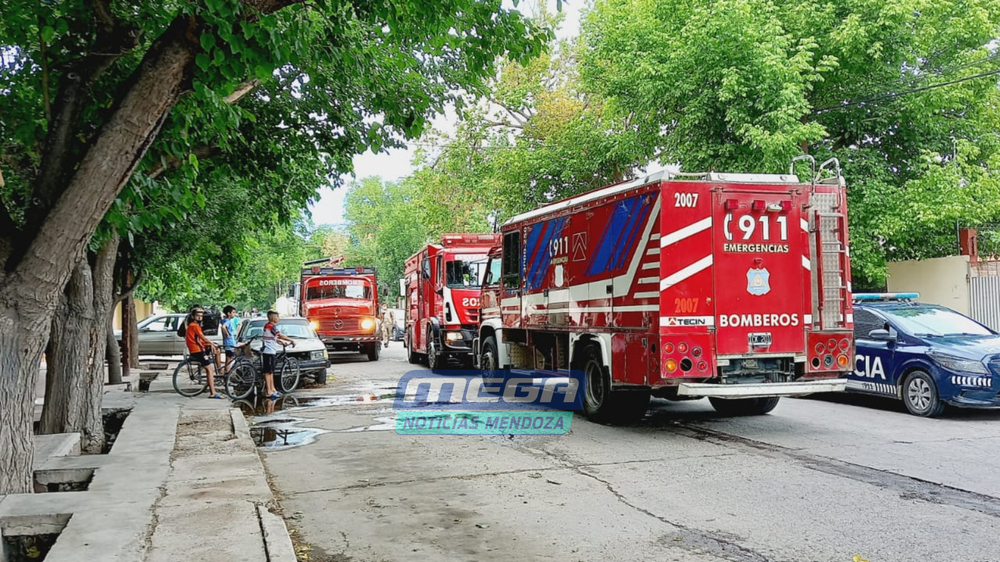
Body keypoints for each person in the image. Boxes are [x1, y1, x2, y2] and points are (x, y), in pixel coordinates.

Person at [185, 306, 223, 398]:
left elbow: (199, 339)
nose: (199, 317)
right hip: (197, 350)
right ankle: (213, 392)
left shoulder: (194, 325)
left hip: (197, 348)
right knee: (210, 369)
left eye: (201, 316)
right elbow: (202, 337)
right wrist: (210, 343)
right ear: (193, 316)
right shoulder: (194, 326)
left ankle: (219, 371)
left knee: (217, 350)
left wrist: (210, 344)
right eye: (197, 315)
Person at [262, 310, 295, 399]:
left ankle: (273, 389)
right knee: (268, 372)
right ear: (273, 318)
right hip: (268, 351)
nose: (278, 318)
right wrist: (291, 340)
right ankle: (269, 391)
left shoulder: (269, 326)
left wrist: (280, 341)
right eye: (277, 316)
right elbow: (280, 335)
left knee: (271, 371)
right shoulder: (270, 326)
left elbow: (273, 337)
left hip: (271, 351)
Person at [220, 305, 239, 373]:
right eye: (233, 312)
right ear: (228, 313)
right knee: (229, 358)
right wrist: (227, 333)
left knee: (228, 358)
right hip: (230, 342)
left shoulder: (224, 320)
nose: (234, 314)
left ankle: (226, 371)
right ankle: (227, 372)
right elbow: (223, 327)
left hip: (228, 342)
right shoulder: (228, 321)